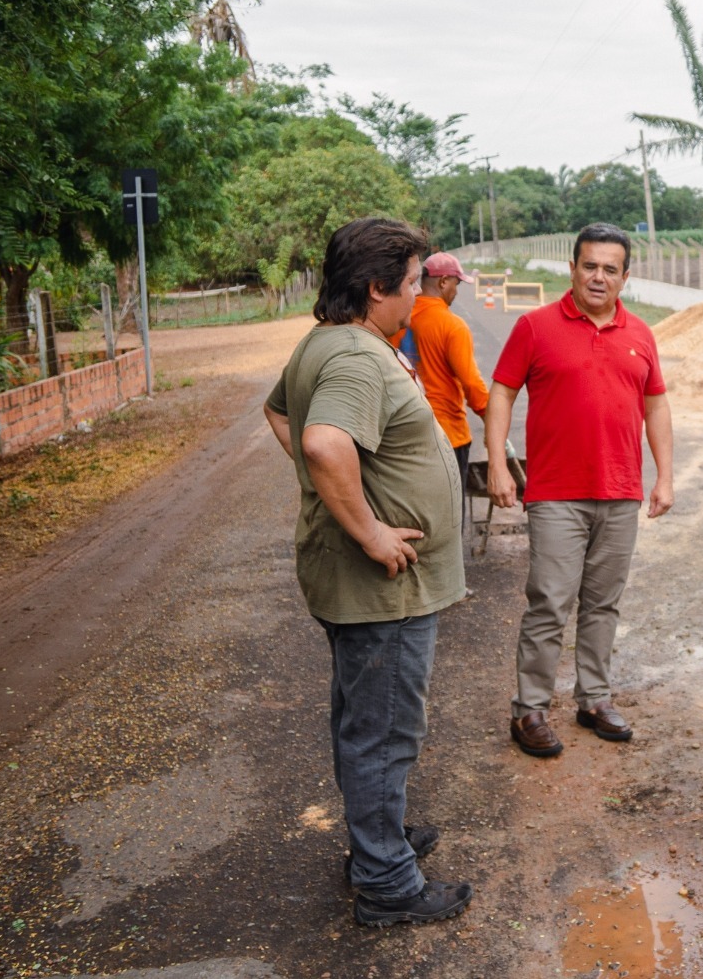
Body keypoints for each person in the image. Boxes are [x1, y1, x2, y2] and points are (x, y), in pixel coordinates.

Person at [262, 217, 473, 927]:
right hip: (382, 589)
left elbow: (279, 411)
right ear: (377, 286)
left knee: (365, 718)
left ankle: (378, 840)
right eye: (412, 283)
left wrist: (348, 493)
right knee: (383, 729)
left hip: (364, 588)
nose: (418, 297)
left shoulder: (328, 341)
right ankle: (385, 880)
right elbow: (321, 442)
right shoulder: (355, 355)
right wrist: (370, 527)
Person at [484, 222, 674, 758]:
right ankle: (530, 710)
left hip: (620, 492)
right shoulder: (535, 327)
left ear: (625, 277)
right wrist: (498, 463)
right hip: (556, 494)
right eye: (589, 265)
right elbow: (501, 394)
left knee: (603, 604)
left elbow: (656, 405)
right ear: (571, 268)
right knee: (549, 602)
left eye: (610, 269)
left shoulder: (640, 335)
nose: (598, 276)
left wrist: (665, 474)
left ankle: (593, 699)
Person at [395, 252, 488, 479]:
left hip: (401, 435)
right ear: (443, 281)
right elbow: (471, 383)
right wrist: (491, 418)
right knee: (452, 512)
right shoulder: (452, 326)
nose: (456, 292)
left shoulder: (395, 320)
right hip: (447, 434)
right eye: (456, 284)